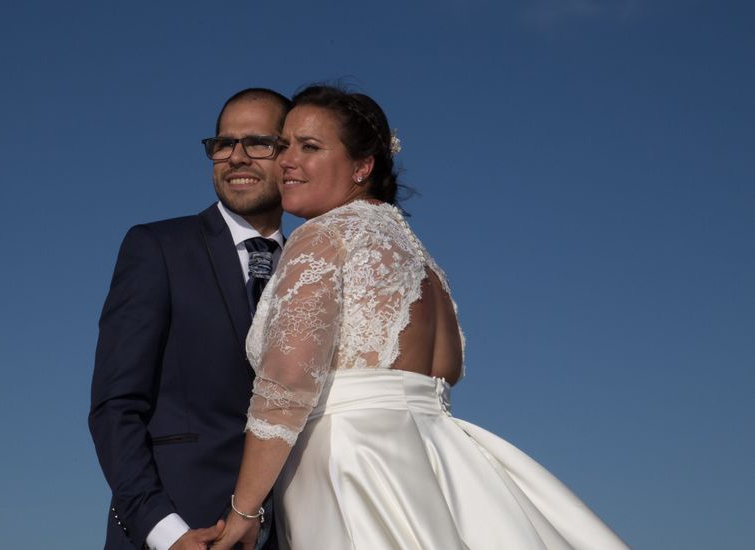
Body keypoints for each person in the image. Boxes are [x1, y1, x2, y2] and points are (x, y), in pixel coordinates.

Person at [212, 85, 628, 549]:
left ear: (362, 166)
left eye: (310, 147)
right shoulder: (420, 259)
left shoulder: (322, 237)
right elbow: (445, 372)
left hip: (350, 467)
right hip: (434, 461)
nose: (288, 161)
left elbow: (286, 386)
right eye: (286, 145)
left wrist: (244, 511)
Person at [89, 88, 290, 550]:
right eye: (223, 144)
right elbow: (115, 406)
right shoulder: (157, 248)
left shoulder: (314, 266)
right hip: (181, 529)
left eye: (258, 142)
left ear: (291, 155)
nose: (236, 157)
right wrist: (165, 531)